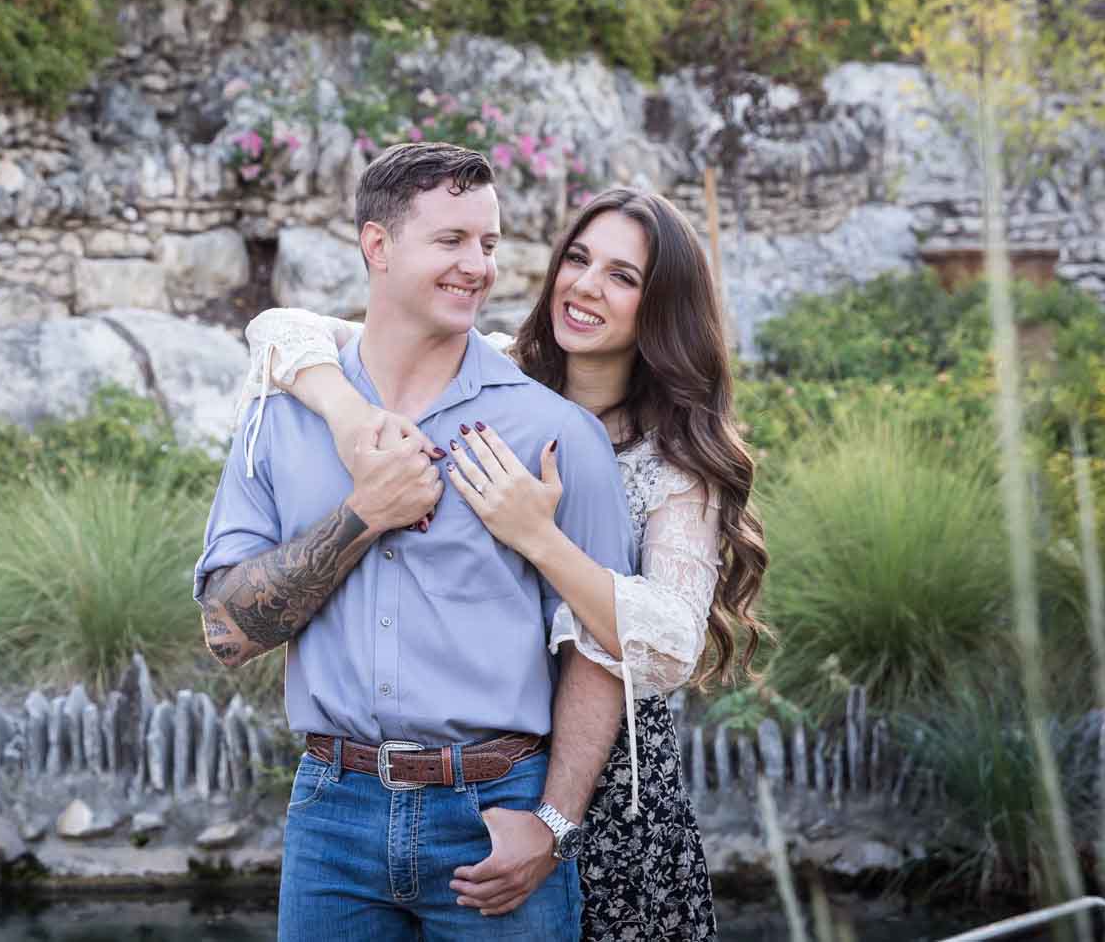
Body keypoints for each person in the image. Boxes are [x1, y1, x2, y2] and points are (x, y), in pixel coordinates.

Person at [243, 186, 769, 941]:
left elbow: (667, 644)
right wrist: (347, 412)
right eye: (578, 259)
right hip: (484, 789)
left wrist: (539, 537)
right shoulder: (489, 370)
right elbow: (279, 328)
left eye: (622, 276)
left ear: (663, 308)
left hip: (608, 797)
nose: (586, 285)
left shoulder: (675, 462)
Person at [194, 142, 638, 940]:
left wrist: (554, 821)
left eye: (489, 243)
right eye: (451, 240)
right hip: (331, 820)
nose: (478, 266)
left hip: (497, 816)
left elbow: (604, 647)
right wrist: (362, 516)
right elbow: (227, 631)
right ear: (378, 244)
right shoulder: (281, 416)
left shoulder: (555, 432)